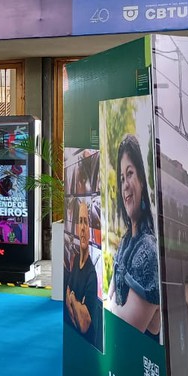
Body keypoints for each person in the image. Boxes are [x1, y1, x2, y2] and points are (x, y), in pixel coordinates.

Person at [105, 134, 160, 340]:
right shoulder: (127, 241)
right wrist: (112, 305)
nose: (125, 185)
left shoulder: (148, 251)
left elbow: (123, 326)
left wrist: (110, 306)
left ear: (142, 181)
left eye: (130, 174)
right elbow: (111, 298)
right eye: (121, 178)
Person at [64, 200, 102, 351]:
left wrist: (72, 298)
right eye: (80, 222)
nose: (83, 228)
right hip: (73, 341)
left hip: (87, 348)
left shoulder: (91, 274)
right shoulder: (75, 262)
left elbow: (84, 325)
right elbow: (67, 297)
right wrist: (77, 303)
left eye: (86, 222)